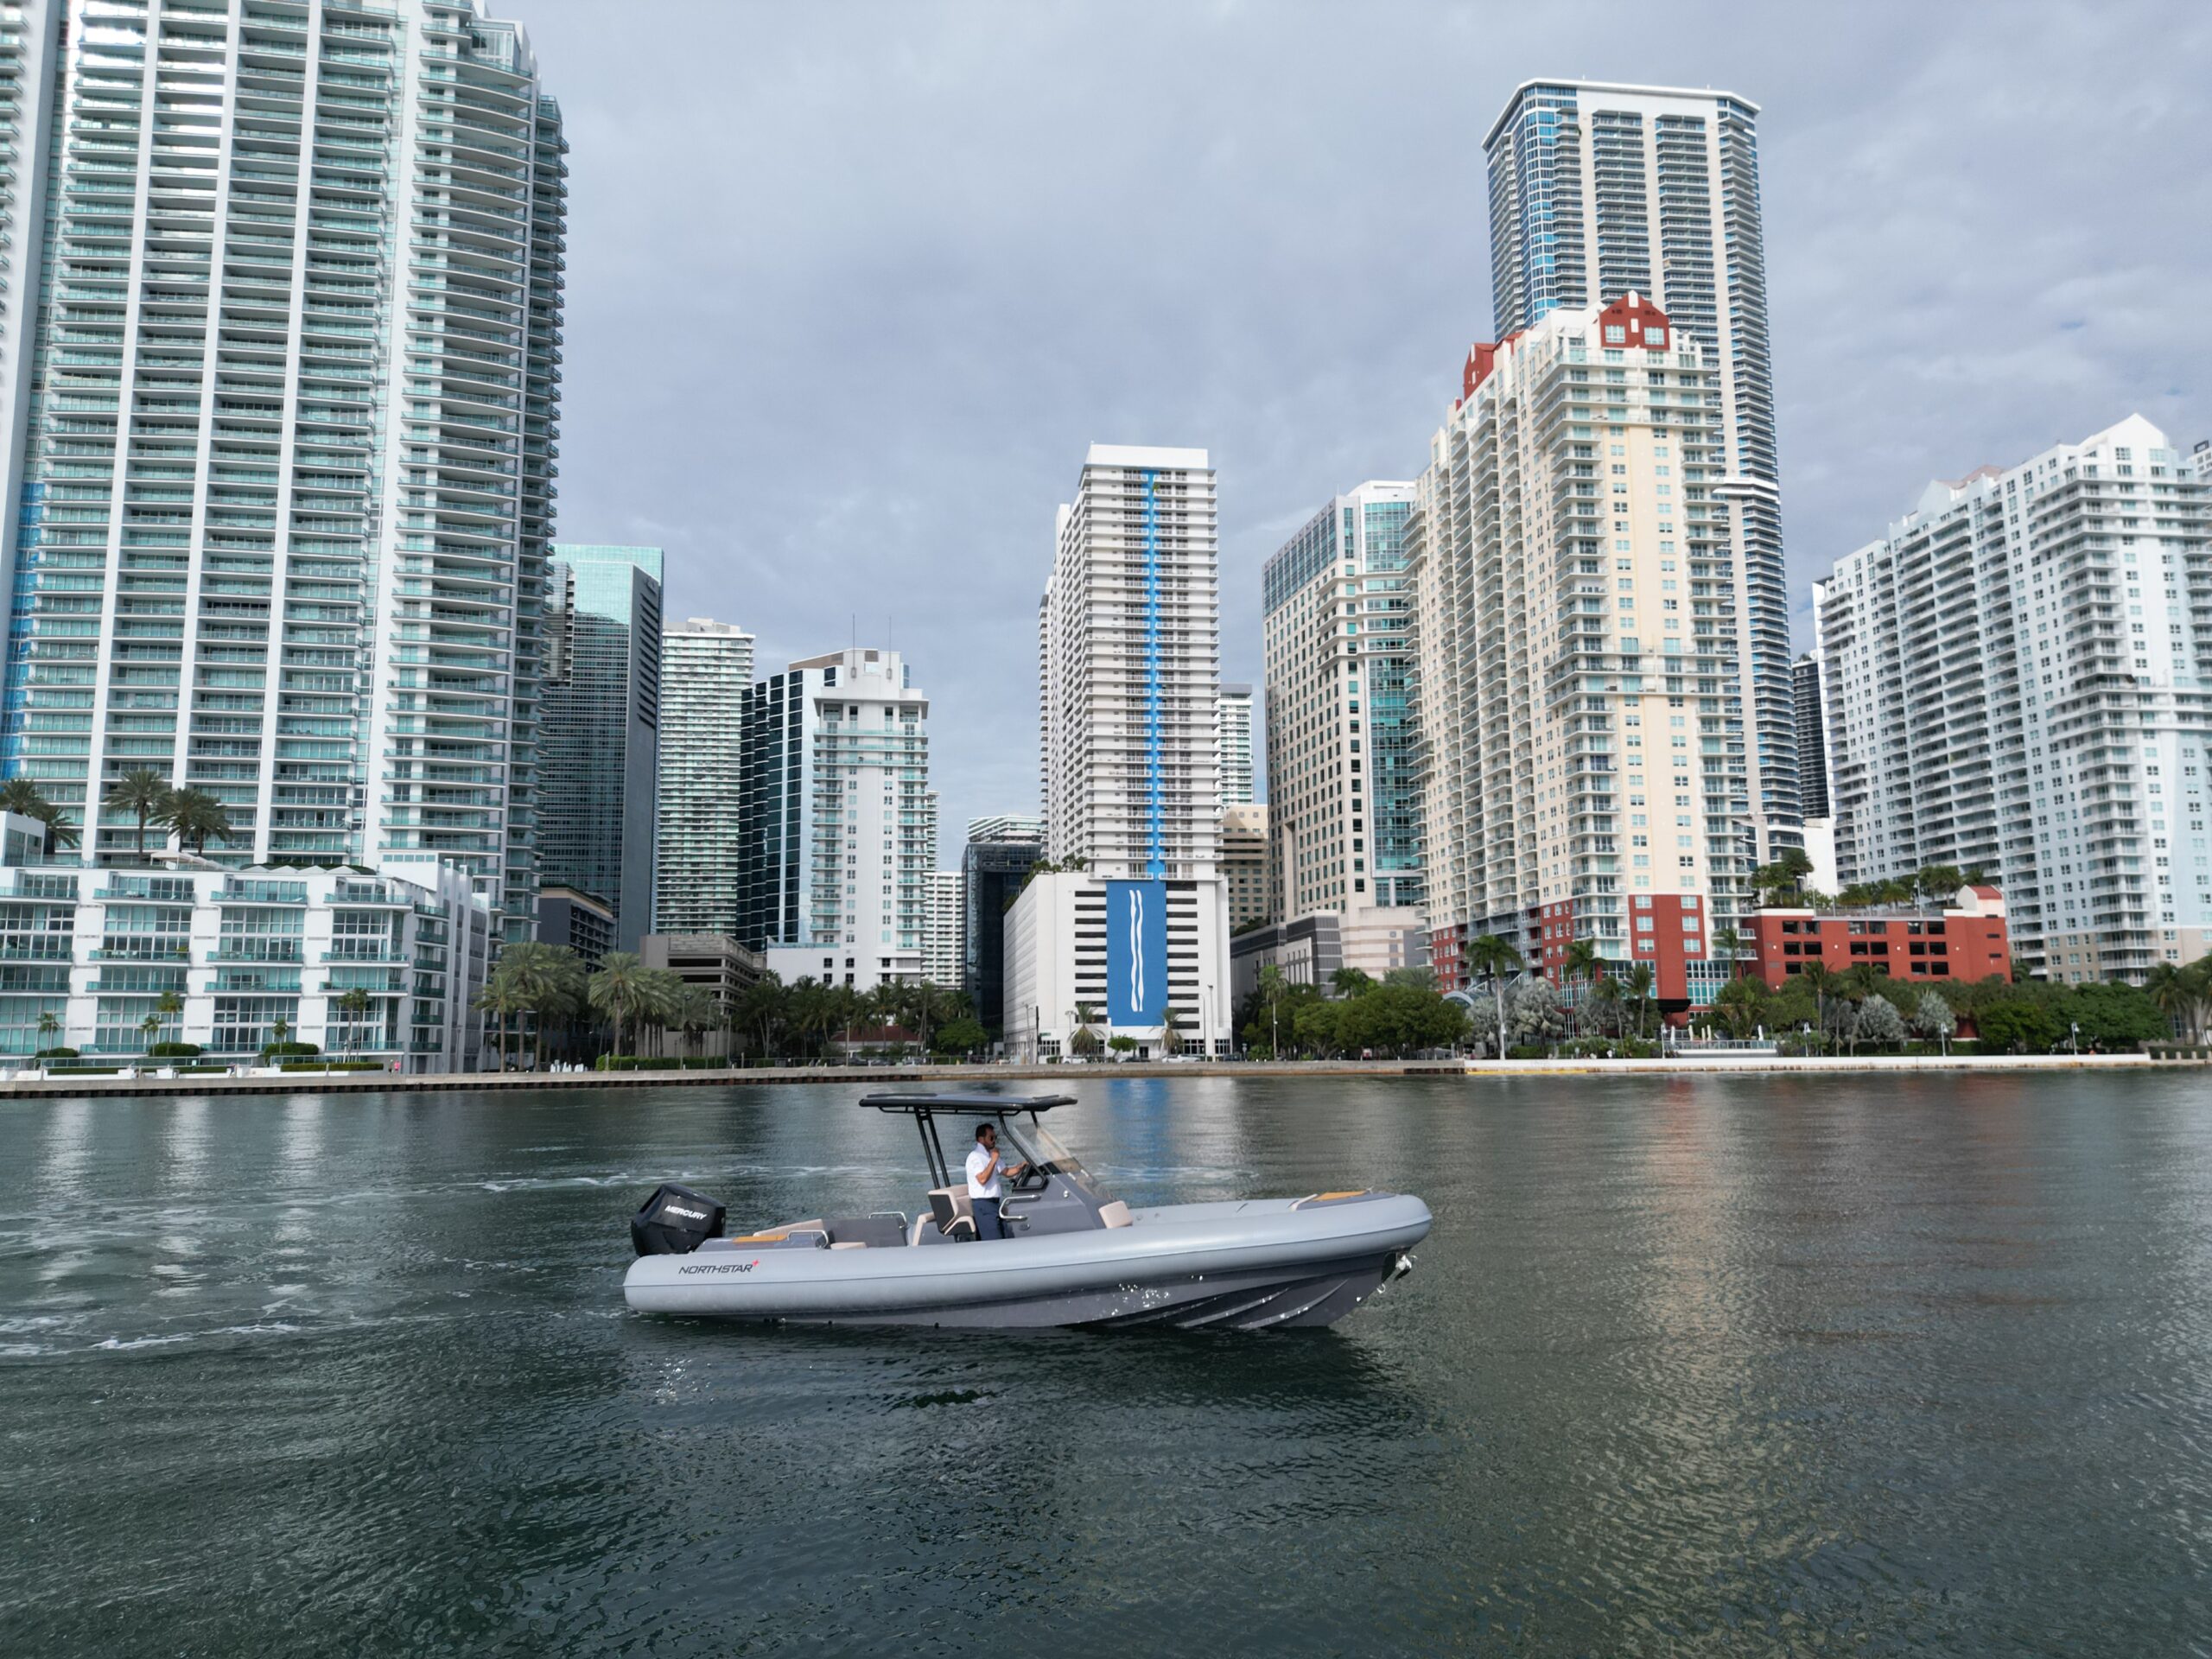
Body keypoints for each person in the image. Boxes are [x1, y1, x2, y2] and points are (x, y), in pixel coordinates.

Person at [963, 1122, 1027, 1241]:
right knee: (993, 1241)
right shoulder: (975, 1156)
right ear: (981, 1139)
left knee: (1005, 1237)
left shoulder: (991, 1155)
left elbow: (1006, 1172)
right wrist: (993, 1161)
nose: (994, 1141)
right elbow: (982, 1179)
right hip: (983, 1205)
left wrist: (1021, 1166)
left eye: (995, 1137)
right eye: (991, 1138)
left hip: (995, 1204)